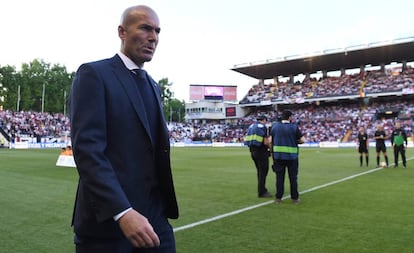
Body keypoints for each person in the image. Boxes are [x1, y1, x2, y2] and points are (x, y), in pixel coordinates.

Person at [69, 5, 179, 253]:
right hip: (109, 225)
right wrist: (122, 212)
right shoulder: (94, 74)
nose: (153, 37)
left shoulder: (153, 85)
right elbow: (88, 150)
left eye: (158, 31)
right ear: (122, 31)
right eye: (145, 28)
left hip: (155, 219)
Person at [270, 110, 305, 204]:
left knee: (279, 178)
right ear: (290, 117)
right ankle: (295, 198)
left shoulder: (274, 127)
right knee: (293, 178)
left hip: (278, 156)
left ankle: (278, 198)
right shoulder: (294, 127)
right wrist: (294, 141)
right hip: (291, 156)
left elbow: (270, 141)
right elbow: (302, 140)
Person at [244, 115, 272, 198]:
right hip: (261, 151)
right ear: (264, 120)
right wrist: (270, 149)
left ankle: (262, 188)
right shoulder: (263, 127)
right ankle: (262, 192)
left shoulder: (251, 126)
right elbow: (266, 142)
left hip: (252, 151)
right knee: (263, 172)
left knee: (259, 171)